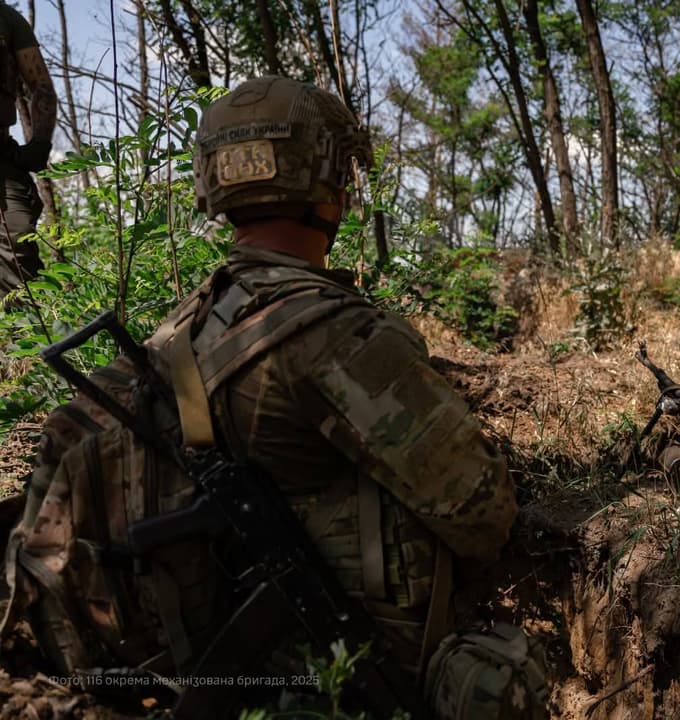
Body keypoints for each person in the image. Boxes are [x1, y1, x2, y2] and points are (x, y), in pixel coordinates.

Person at [3, 76, 541, 718]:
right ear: (332, 185)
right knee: (507, 676)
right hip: (345, 678)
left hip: (212, 683)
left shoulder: (176, 334)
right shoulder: (335, 334)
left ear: (213, 186)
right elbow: (482, 512)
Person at [0, 1, 56, 301]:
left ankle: (28, 345)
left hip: (2, 161)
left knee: (18, 245)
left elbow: (41, 86)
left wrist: (40, 143)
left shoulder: (6, 18)